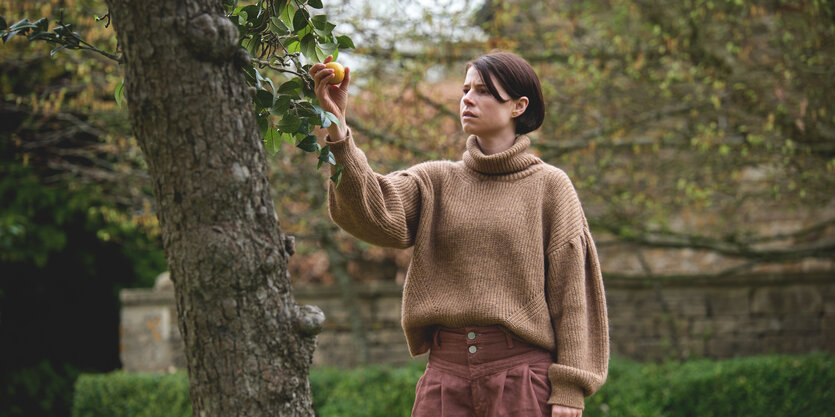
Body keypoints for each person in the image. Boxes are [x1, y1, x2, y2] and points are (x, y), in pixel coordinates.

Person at [309, 51, 609, 417]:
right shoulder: (434, 181)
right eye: (465, 89)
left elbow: (574, 296)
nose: (467, 98)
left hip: (523, 382)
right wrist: (338, 129)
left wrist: (570, 389)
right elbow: (371, 211)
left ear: (518, 105)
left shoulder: (550, 187)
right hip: (444, 381)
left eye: (483, 90)